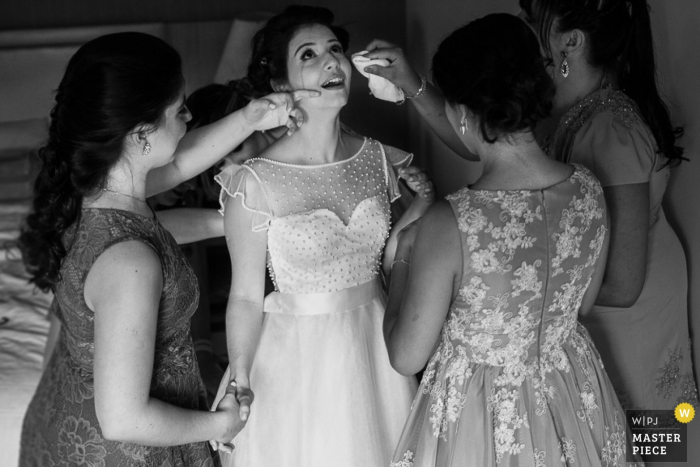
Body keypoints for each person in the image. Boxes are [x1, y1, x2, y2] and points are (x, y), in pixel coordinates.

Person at [17, 31, 317, 466]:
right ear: (140, 134)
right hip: (126, 451)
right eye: (179, 110)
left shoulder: (94, 189)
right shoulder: (130, 264)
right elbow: (123, 418)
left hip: (64, 414)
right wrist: (222, 425)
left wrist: (252, 119)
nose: (190, 114)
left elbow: (176, 169)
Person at [381, 13, 641, 466]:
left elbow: (406, 356)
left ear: (462, 113)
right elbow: (581, 305)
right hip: (571, 389)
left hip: (482, 411)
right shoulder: (587, 188)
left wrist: (402, 260)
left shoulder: (451, 222)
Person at [210, 5, 433, 465]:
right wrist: (241, 379)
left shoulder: (377, 160)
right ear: (280, 85)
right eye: (308, 54)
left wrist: (422, 210)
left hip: (375, 344)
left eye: (335, 49)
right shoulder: (254, 182)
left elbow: (387, 262)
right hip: (298, 361)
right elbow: (247, 298)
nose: (332, 61)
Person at [517, 0, 698, 416]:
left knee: (649, 444)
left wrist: (520, 293)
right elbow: (483, 133)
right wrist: (411, 84)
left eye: (531, 20)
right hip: (606, 308)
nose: (524, 27)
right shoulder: (578, 110)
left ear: (572, 42)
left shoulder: (609, 128)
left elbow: (622, 284)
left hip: (629, 317)